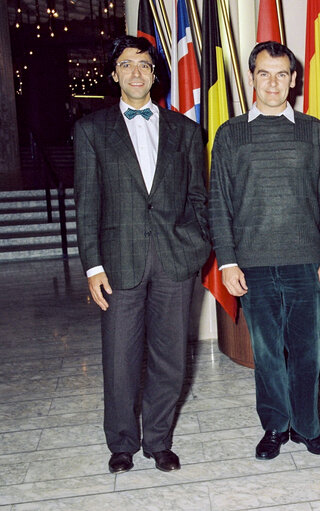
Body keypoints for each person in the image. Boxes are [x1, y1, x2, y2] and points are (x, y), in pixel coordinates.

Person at [74, 35, 209, 474]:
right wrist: (93, 265)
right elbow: (87, 202)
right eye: (127, 65)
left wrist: (198, 246)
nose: (136, 73)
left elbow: (198, 198)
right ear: (114, 74)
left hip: (175, 260)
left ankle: (159, 440)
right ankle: (122, 444)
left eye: (144, 65)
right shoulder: (92, 130)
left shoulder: (186, 131)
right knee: (120, 359)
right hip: (118, 263)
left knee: (171, 358)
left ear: (155, 73)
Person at [208, 41, 320, 460]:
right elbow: (219, 202)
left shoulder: (314, 131)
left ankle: (306, 428)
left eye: (281, 74)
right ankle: (275, 427)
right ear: (251, 77)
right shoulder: (231, 134)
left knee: (307, 351)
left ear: (294, 79)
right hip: (253, 265)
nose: (273, 82)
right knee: (267, 353)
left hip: (306, 262)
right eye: (264, 73)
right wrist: (227, 261)